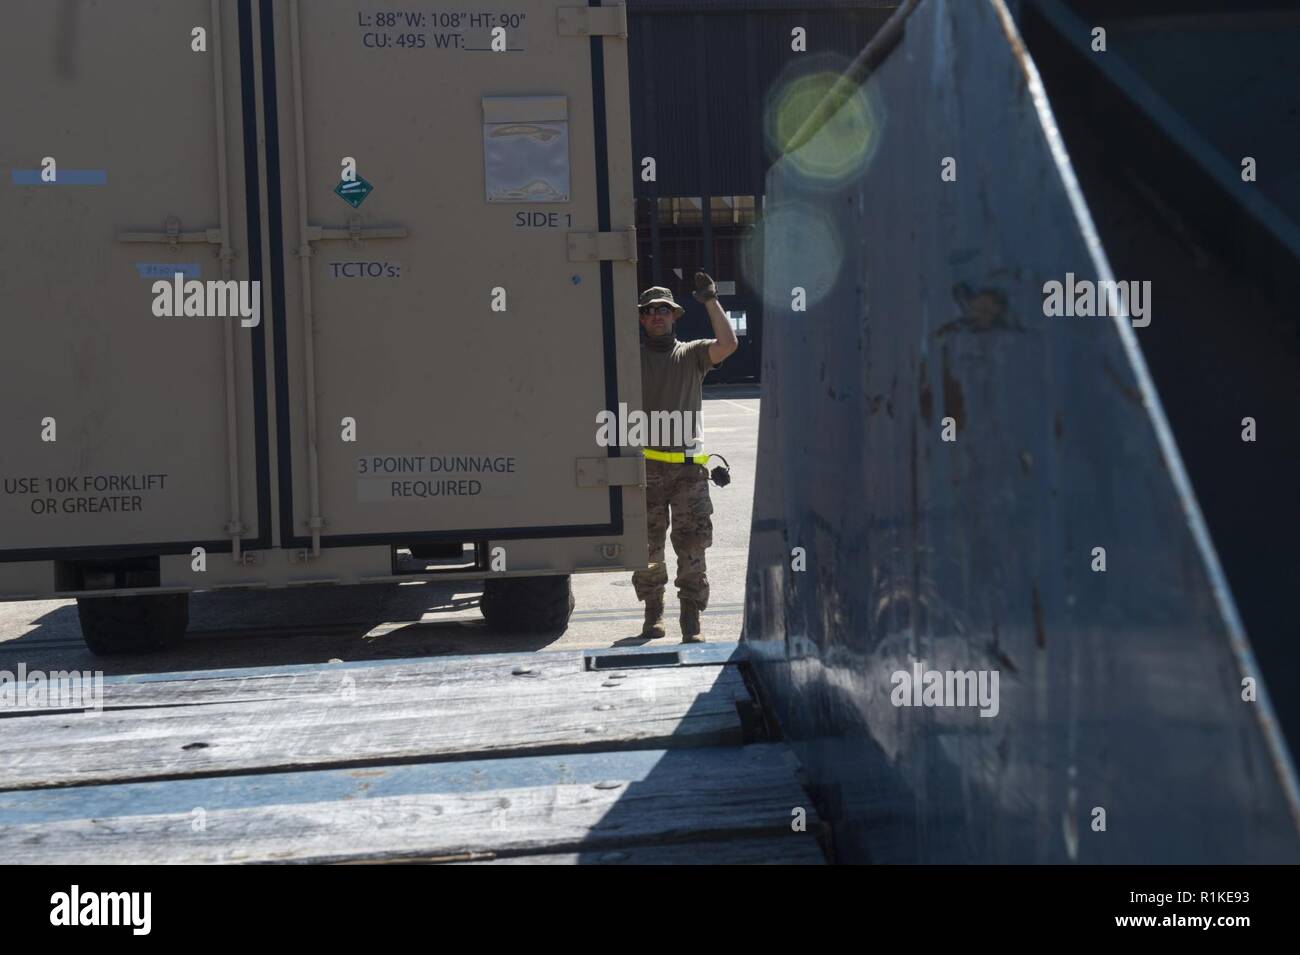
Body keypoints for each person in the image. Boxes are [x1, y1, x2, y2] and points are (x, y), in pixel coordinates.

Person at [633, 272, 739, 642]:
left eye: (664, 310)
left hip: (687, 473)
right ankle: (653, 615)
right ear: (642, 318)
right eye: (649, 311)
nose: (657, 316)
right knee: (647, 551)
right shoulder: (628, 358)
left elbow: (727, 343)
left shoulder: (691, 354)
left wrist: (710, 300)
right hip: (643, 472)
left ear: (675, 316)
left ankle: (691, 620)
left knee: (692, 548)